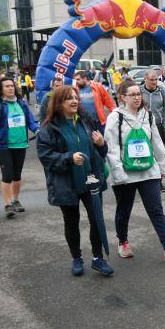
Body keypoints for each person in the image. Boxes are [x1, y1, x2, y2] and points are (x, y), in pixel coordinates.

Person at [36, 86, 114, 277]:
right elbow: (46, 156)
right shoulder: (49, 128)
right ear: (58, 103)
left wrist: (102, 144)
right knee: (72, 222)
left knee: (96, 218)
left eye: (75, 98)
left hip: (90, 177)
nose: (74, 101)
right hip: (66, 183)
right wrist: (69, 158)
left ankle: (97, 258)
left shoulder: (87, 120)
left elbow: (100, 152)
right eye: (68, 98)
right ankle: (76, 258)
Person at [104, 80, 165, 262]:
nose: (137, 98)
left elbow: (156, 141)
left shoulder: (147, 116)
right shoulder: (115, 117)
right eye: (132, 95)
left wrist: (163, 166)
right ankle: (122, 241)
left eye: (138, 94)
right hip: (125, 173)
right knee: (124, 210)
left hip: (148, 171)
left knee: (156, 209)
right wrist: (118, 173)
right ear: (122, 97)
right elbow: (111, 148)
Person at [0, 77, 39, 218]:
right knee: (7, 176)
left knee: (17, 175)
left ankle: (16, 200)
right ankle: (8, 205)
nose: (10, 88)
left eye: (12, 86)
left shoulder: (21, 103)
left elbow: (31, 120)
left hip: (20, 143)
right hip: (3, 145)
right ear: (1, 90)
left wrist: (38, 130)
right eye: (7, 86)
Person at [141, 69, 165, 190]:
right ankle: (145, 178)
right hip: (143, 126)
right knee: (146, 152)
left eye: (156, 79)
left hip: (159, 125)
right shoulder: (140, 91)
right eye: (151, 80)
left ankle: (158, 180)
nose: (154, 82)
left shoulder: (162, 90)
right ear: (145, 79)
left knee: (159, 153)